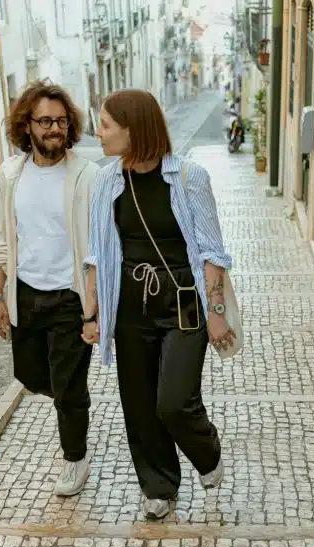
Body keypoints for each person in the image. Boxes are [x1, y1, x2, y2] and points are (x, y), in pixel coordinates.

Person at [82, 89, 236, 520]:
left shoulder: (189, 178)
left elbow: (212, 253)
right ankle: (159, 486)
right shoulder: (106, 180)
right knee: (139, 403)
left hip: (183, 302)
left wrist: (217, 314)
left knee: (174, 401)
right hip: (129, 307)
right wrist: (92, 313)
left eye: (107, 125)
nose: (99, 132)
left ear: (135, 129)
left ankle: (207, 450)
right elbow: (97, 252)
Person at [0, 80, 99, 497]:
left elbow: (98, 246)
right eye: (45, 121)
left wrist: (93, 307)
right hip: (26, 294)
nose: (55, 128)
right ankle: (73, 403)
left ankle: (75, 457)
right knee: (32, 375)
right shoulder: (11, 175)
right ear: (27, 126)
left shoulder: (87, 174)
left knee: (68, 387)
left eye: (61, 121)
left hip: (70, 297)